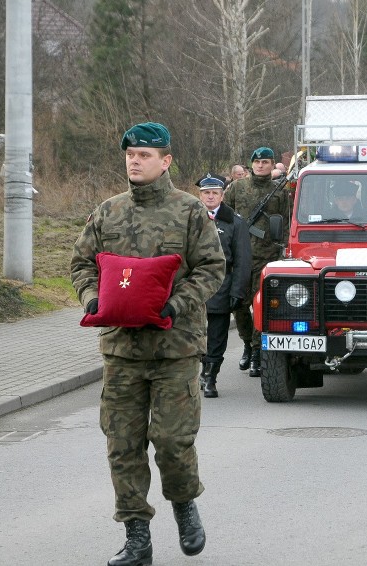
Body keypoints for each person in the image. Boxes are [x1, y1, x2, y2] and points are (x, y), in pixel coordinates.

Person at [70, 122, 226, 565]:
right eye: (130, 154)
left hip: (174, 348)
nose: (134, 161)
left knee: (173, 441)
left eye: (144, 154)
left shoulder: (190, 212)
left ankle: (184, 504)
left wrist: (177, 304)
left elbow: (212, 268)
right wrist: (94, 298)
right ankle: (137, 536)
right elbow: (81, 263)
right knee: (122, 444)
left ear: (166, 161)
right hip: (122, 351)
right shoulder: (108, 212)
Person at [223, 146, 290, 377]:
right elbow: (226, 218)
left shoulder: (279, 192)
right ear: (251, 164)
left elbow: (286, 224)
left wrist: (283, 254)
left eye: (266, 162)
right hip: (241, 257)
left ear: (272, 165)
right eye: (257, 162)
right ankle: (247, 342)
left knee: (261, 306)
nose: (261, 165)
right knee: (239, 305)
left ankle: (256, 351)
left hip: (268, 257)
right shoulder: (237, 188)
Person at [196, 173, 252, 398]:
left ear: (222, 195)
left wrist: (238, 291)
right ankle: (200, 367)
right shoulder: (190, 217)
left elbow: (243, 260)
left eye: (214, 193)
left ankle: (211, 376)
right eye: (206, 193)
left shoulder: (235, 222)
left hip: (221, 284)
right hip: (193, 286)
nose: (210, 197)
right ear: (200, 195)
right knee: (196, 333)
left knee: (218, 335)